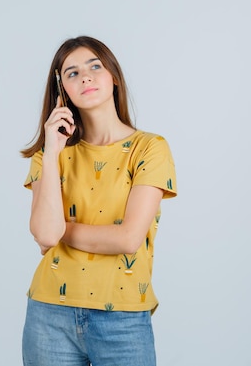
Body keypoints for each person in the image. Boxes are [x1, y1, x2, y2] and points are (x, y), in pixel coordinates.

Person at [20, 36, 177, 366]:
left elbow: (128, 238)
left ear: (114, 77)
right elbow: (44, 235)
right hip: (49, 314)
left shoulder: (150, 148)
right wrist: (51, 154)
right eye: (72, 73)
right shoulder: (48, 155)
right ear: (61, 90)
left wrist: (61, 230)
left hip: (122, 318)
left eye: (95, 66)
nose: (86, 77)